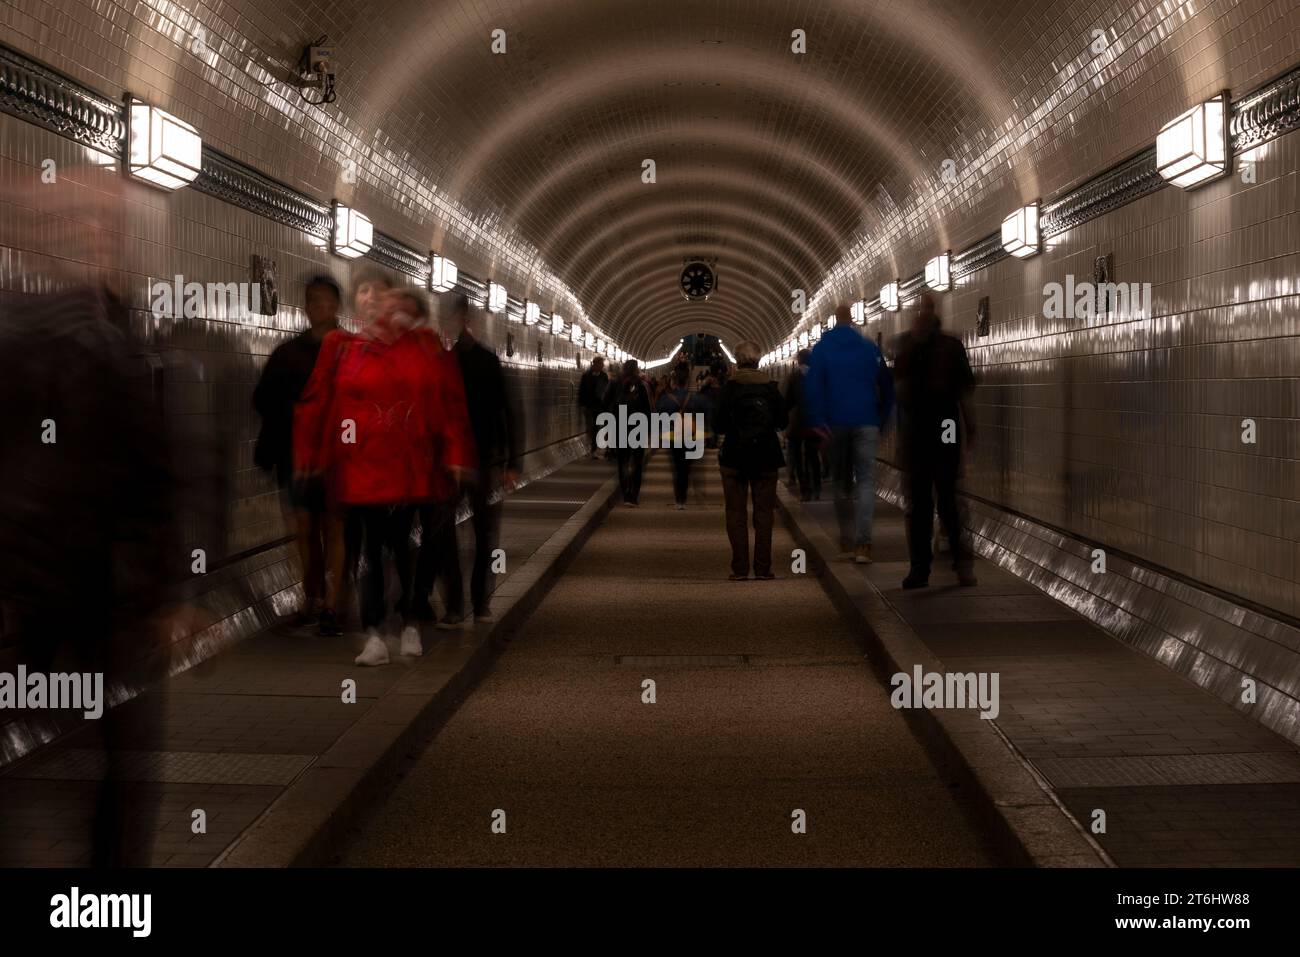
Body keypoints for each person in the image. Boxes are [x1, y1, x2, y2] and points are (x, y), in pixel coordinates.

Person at [295, 288, 474, 665]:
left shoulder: (423, 351)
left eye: (400, 310)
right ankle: (376, 633)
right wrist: (321, 454)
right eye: (381, 307)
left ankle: (408, 622)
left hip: (414, 474)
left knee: (402, 551)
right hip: (366, 475)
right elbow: (328, 404)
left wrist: (454, 456)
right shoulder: (351, 350)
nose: (390, 315)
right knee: (373, 554)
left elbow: (447, 408)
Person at [429, 292, 523, 625]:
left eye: (454, 318)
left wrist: (513, 463)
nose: (450, 324)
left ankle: (477, 600)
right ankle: (459, 603)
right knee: (447, 532)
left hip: (483, 459)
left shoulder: (484, 360)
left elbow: (508, 412)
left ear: (464, 320)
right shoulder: (445, 361)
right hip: (454, 463)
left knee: (482, 533)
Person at [253, 275, 341, 627]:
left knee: (334, 529)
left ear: (336, 306)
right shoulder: (287, 354)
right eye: (311, 302)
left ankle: (332, 602)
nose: (316, 308)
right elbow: (261, 399)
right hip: (296, 458)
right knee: (305, 530)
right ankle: (312, 596)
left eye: (323, 301)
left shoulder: (350, 351)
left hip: (338, 459)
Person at [893, 291, 978, 589]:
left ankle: (920, 569)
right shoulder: (951, 345)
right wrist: (971, 427)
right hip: (945, 428)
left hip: (921, 431)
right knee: (948, 499)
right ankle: (961, 564)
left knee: (921, 504)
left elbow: (899, 392)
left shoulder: (907, 345)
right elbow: (965, 392)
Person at [805, 304, 895, 563]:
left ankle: (845, 537)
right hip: (866, 420)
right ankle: (863, 544)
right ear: (853, 320)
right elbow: (887, 386)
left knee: (841, 481)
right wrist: (883, 420)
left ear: (835, 320)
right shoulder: (869, 348)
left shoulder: (822, 349)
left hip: (835, 422)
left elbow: (813, 388)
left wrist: (818, 421)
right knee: (866, 481)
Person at [714, 341, 788, 580]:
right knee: (764, 514)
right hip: (766, 457)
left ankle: (740, 569)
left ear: (736, 362)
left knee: (736, 514)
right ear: (758, 361)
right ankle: (763, 568)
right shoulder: (770, 388)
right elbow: (783, 421)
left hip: (734, 458)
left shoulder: (729, 388)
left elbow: (718, 424)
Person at [655, 362, 711, 509]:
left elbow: (659, 417)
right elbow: (707, 416)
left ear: (673, 381)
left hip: (673, 437)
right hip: (692, 437)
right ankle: (686, 494)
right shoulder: (698, 398)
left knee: (677, 467)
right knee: (686, 467)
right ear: (688, 381)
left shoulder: (666, 399)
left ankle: (680, 499)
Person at [603, 358, 652, 506]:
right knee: (637, 463)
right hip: (638, 428)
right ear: (636, 369)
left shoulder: (614, 384)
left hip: (619, 427)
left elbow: (605, 404)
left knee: (622, 461)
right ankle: (633, 496)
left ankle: (625, 493)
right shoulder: (641, 385)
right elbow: (647, 409)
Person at [781, 348, 823, 502]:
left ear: (798, 360)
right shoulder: (818, 376)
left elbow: (786, 401)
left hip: (797, 423)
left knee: (797, 456)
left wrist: (783, 420)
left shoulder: (792, 376)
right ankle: (817, 488)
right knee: (813, 456)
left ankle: (805, 490)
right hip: (815, 423)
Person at [578, 355, 608, 458]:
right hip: (589, 405)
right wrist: (582, 404)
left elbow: (607, 391)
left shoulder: (604, 376)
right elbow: (581, 391)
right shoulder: (586, 376)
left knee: (597, 427)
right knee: (591, 427)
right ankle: (591, 448)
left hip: (600, 406)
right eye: (600, 364)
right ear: (594, 364)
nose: (602, 366)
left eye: (602, 365)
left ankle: (595, 448)